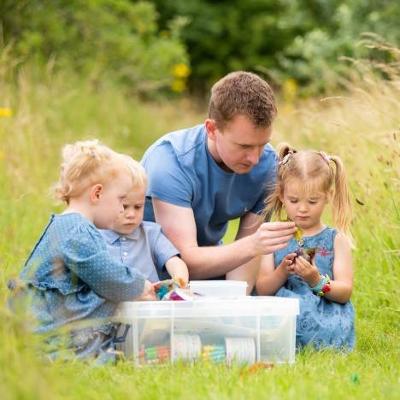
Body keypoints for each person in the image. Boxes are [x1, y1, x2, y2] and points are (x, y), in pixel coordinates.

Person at [141, 71, 296, 291]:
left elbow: (246, 260)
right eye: (244, 146)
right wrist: (254, 245)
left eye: (262, 144)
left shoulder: (267, 165)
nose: (254, 158)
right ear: (212, 130)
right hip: (150, 277)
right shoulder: (170, 162)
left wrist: (233, 309)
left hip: (209, 273)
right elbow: (185, 263)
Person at [13, 140, 155, 360]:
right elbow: (109, 278)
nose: (121, 209)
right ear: (97, 194)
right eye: (120, 200)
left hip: (44, 321)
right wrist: (139, 286)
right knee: (110, 305)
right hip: (45, 331)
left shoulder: (71, 226)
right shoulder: (76, 231)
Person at [256, 144, 355, 350]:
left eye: (312, 201)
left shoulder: (336, 239)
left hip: (323, 315)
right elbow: (263, 289)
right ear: (282, 195)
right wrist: (282, 271)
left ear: (328, 195)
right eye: (294, 200)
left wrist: (316, 280)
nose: (302, 208)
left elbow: (345, 292)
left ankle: (313, 345)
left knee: (327, 330)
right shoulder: (274, 235)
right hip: (283, 312)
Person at [100, 159, 189, 286]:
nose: (131, 214)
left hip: (148, 302)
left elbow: (173, 261)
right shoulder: (95, 234)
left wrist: (180, 280)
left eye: (138, 207)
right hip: (112, 303)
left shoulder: (151, 233)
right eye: (124, 207)